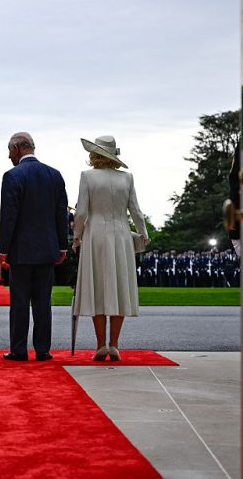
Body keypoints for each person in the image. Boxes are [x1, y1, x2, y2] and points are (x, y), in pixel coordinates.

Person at [72, 136, 148, 361]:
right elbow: (136, 211)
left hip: (95, 235)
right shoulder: (127, 178)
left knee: (98, 287)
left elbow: (82, 213)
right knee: (118, 287)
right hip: (121, 235)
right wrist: (144, 234)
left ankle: (100, 345)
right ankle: (114, 344)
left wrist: (76, 237)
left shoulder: (87, 177)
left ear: (94, 154)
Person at [0, 132, 68, 361]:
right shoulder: (55, 175)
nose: (9, 156)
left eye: (9, 151)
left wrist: (3, 250)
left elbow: (9, 217)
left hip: (21, 250)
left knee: (19, 302)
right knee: (42, 302)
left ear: (17, 148)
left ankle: (18, 349)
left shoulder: (12, 176)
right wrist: (62, 246)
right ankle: (42, 350)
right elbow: (61, 215)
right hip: (47, 248)